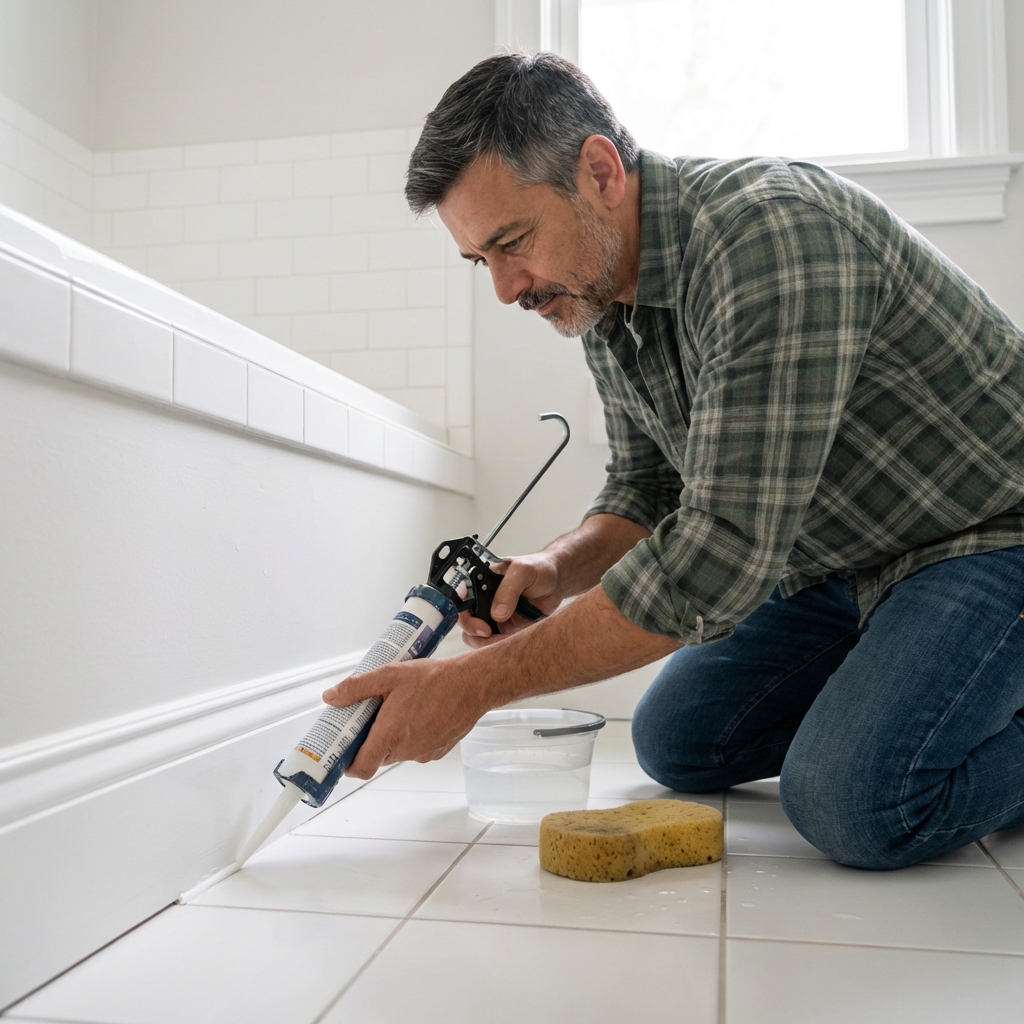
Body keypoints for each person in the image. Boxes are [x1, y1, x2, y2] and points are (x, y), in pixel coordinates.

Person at [323, 52, 1024, 869]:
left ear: (599, 171)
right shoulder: (601, 295)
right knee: (679, 742)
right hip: (843, 564)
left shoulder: (772, 239)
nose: (507, 289)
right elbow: (650, 488)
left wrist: (469, 689)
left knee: (854, 803)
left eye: (513, 243)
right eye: (482, 260)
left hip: (991, 535)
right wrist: (556, 567)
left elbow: (716, 557)